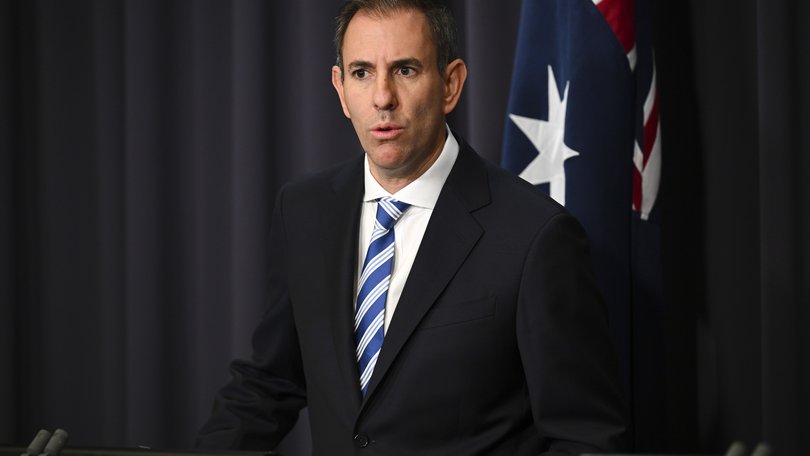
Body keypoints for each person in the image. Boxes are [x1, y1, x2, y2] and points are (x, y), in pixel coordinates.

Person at [196, 0, 629, 454]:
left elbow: (586, 439)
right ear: (341, 89)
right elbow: (270, 382)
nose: (382, 98)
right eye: (362, 73)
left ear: (450, 84)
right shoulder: (303, 211)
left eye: (405, 70)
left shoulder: (536, 235)